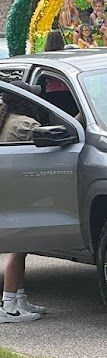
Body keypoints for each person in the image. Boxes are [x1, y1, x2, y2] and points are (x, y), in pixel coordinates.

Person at [1, 84, 49, 323]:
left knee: (23, 246)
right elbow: (52, 135)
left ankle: (19, 298)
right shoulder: (23, 124)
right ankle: (9, 304)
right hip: (18, 192)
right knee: (18, 248)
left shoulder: (9, 119)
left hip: (12, 190)